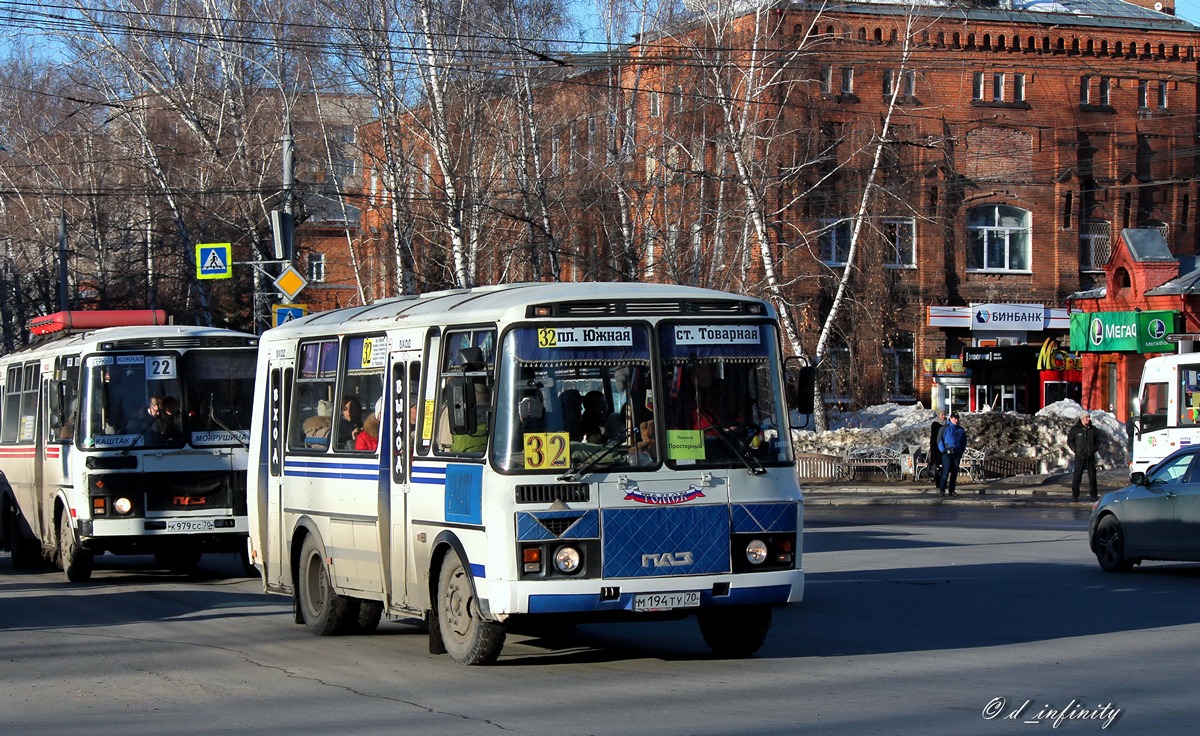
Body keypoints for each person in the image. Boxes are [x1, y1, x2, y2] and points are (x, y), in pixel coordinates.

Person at [1068, 412, 1100, 502]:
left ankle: (1093, 496)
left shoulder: (1093, 429)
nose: (1088, 419)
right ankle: (1075, 496)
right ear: (1082, 418)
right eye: (1086, 417)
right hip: (1079, 456)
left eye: (1089, 417)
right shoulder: (1075, 429)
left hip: (1090, 456)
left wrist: (1094, 449)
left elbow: (1098, 440)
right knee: (1077, 476)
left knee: (1092, 477)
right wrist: (1075, 449)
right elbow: (1070, 440)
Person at [938, 412, 967, 497]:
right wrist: (943, 450)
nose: (956, 420)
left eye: (957, 419)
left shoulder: (960, 430)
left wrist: (961, 450)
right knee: (946, 471)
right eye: (954, 418)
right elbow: (939, 440)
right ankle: (942, 490)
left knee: (954, 472)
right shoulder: (945, 428)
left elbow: (964, 441)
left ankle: (952, 490)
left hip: (957, 453)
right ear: (950, 418)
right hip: (947, 453)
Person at [929, 410, 946, 492]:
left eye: (944, 415)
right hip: (937, 448)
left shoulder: (947, 423)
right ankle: (938, 482)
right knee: (938, 466)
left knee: (945, 466)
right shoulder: (935, 424)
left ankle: (944, 482)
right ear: (939, 415)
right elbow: (933, 438)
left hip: (945, 447)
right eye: (942, 415)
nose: (944, 416)